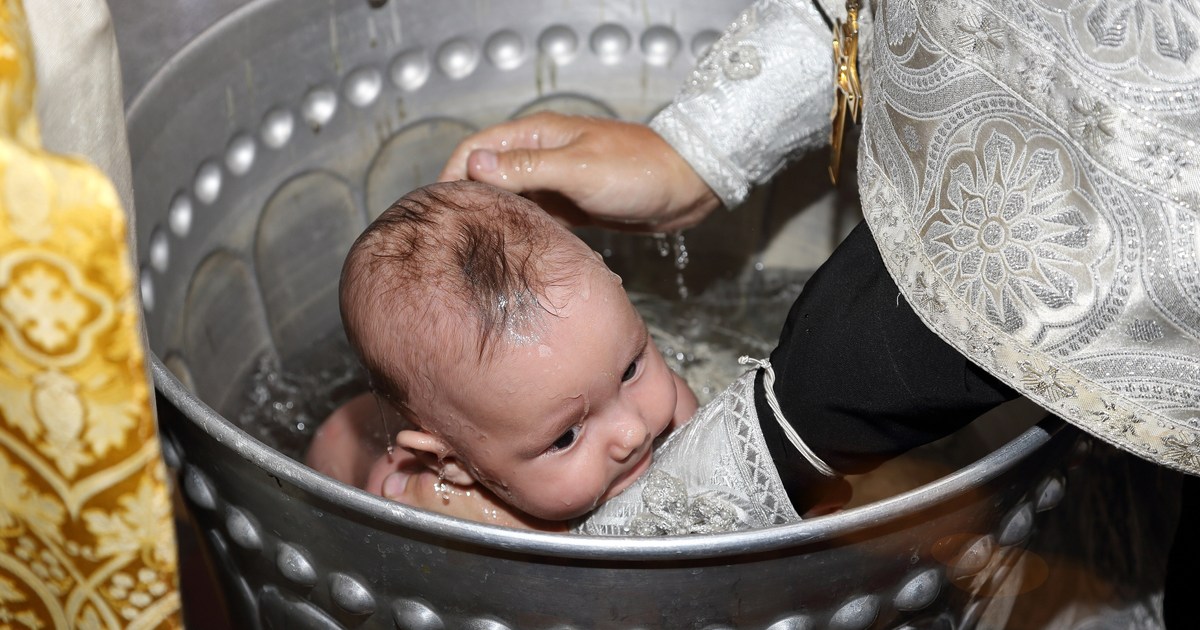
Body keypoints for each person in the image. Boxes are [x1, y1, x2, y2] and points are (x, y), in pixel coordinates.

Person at [306, 180, 702, 531]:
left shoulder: (671, 413)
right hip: (341, 449)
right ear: (453, 465)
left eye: (630, 369)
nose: (632, 432)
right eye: (566, 437)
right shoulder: (420, 505)